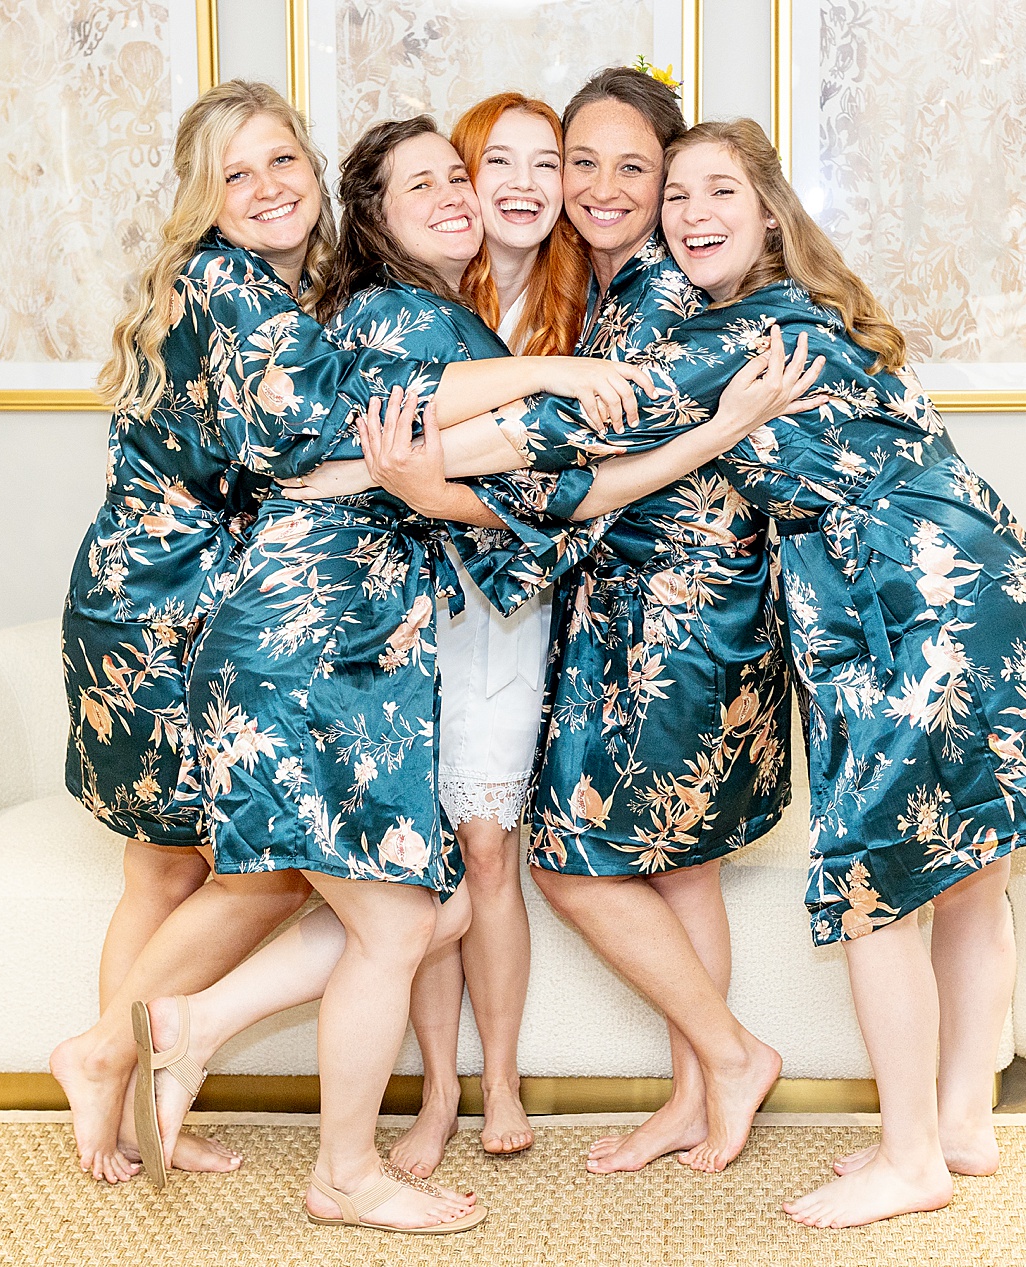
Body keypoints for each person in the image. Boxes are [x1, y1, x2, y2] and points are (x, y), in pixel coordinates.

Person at [437, 117, 1026, 1226]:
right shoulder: (813, 315)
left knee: (879, 889)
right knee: (972, 876)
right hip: (998, 589)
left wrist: (395, 454)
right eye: (680, 197)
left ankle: (909, 1160)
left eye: (718, 195)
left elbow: (562, 427)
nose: (692, 215)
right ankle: (956, 1124)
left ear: (768, 215)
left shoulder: (745, 332)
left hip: (899, 613)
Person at [50, 79, 651, 1188]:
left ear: (317, 179)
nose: (270, 187)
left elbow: (355, 441)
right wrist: (557, 382)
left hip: (214, 594)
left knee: (211, 868)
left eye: (284, 162)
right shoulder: (230, 285)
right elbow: (342, 433)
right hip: (169, 604)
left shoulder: (295, 293)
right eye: (238, 173)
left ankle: (129, 1084)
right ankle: (122, 1074)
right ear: (203, 199)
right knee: (210, 870)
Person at [286, 68, 795, 1181]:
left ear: (670, 184)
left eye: (634, 169)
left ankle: (716, 1066)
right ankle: (700, 1085)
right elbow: (550, 439)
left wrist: (381, 478)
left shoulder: (656, 292)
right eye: (581, 163)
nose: (596, 188)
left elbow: (561, 444)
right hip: (590, 602)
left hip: (679, 605)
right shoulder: (509, 295)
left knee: (637, 870)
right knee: (656, 869)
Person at [385, 90, 591, 1176]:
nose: (517, 183)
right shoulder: (411, 300)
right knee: (419, 862)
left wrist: (433, 486)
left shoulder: (586, 312)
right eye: (489, 163)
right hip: (396, 608)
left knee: (485, 847)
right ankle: (433, 1093)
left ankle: (499, 1077)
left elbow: (574, 493)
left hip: (508, 608)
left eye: (541, 163)